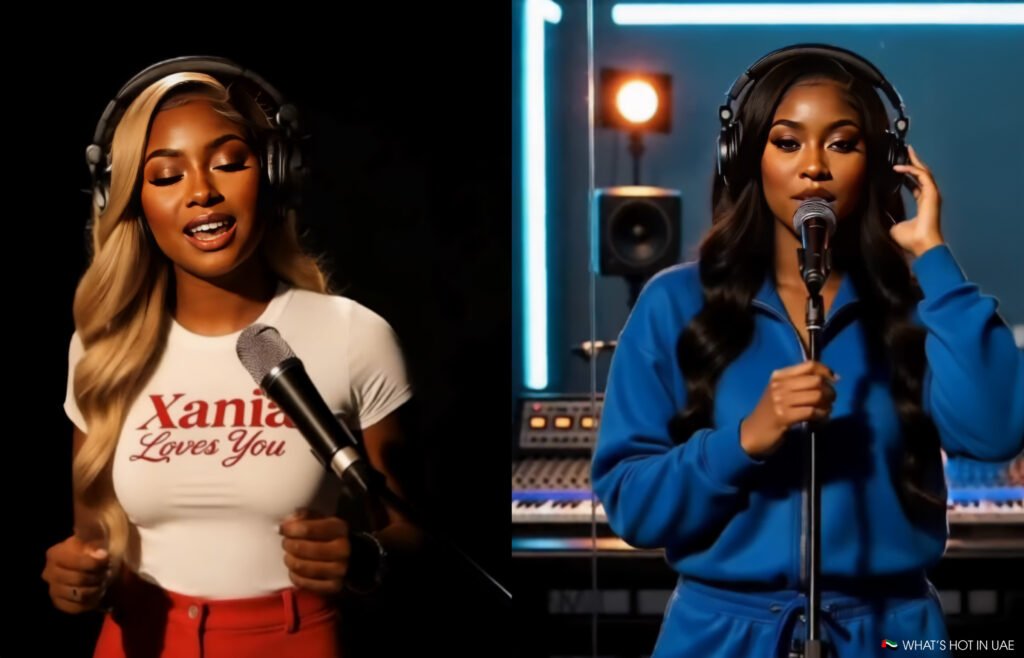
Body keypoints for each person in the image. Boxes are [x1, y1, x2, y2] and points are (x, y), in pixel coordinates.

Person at [591, 44, 1024, 658]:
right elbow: (633, 507)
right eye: (787, 142)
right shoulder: (673, 303)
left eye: (842, 143)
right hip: (720, 637)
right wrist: (743, 441)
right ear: (744, 157)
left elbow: (997, 430)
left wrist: (933, 258)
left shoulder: (917, 302)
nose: (813, 168)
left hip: (888, 634)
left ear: (879, 164)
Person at [40, 57, 420, 658]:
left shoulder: (354, 336)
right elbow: (93, 543)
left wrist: (363, 554)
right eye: (165, 176)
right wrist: (76, 578)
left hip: (299, 640)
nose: (201, 191)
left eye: (229, 163)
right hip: (138, 641)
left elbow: (415, 531)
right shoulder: (100, 348)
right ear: (131, 201)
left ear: (274, 175)